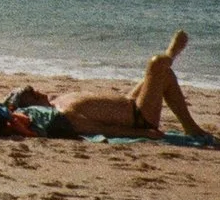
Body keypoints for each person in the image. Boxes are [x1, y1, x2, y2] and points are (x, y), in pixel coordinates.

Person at [46, 31, 209, 139]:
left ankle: (191, 127)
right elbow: (101, 129)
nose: (33, 90)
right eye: (29, 93)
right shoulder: (62, 115)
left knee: (164, 74)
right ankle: (170, 54)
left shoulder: (53, 100)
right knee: (157, 64)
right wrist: (144, 134)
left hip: (131, 101)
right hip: (140, 117)